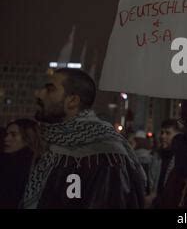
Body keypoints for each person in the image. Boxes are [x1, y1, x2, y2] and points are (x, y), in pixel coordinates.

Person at [22, 68, 146, 209]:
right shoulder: (51, 144)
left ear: (73, 101)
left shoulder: (106, 155)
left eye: (50, 90)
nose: (38, 94)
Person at [0, 119, 42, 208]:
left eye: (13, 135)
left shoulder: (37, 165)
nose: (6, 139)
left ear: (28, 137)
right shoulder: (6, 161)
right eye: (7, 134)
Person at [147, 119, 183, 207]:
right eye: (162, 132)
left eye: (168, 133)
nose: (162, 136)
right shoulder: (157, 156)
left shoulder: (181, 158)